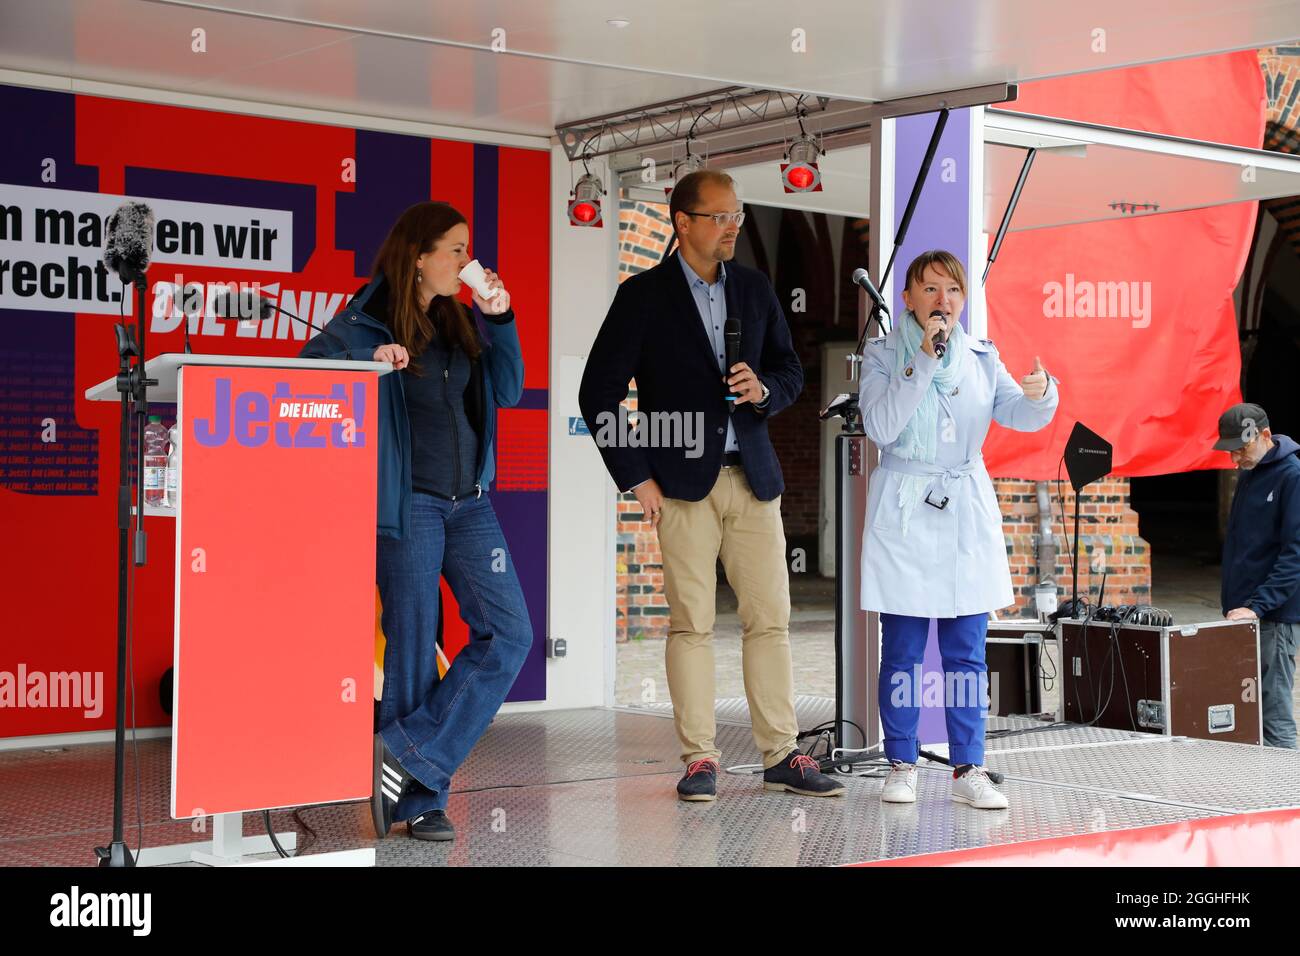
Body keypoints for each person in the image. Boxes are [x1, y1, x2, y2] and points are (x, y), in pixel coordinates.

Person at [579, 170, 843, 802]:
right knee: (691, 624)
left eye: (738, 216)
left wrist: (766, 391)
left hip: (754, 480)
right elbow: (598, 393)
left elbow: (790, 371)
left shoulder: (754, 289)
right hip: (679, 485)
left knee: (771, 620)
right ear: (684, 222)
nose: (733, 226)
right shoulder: (642, 295)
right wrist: (637, 476)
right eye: (721, 216)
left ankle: (781, 753)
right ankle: (700, 759)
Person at [299, 201, 533, 840]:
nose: (466, 260)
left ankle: (401, 749)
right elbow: (304, 377)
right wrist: (366, 366)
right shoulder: (361, 323)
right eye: (455, 249)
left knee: (509, 634)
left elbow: (508, 391)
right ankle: (419, 803)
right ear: (420, 256)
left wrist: (501, 320)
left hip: (471, 503)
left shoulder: (462, 321)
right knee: (409, 647)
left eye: (466, 249)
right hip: (408, 505)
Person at [858, 250, 1058, 809]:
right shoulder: (880, 355)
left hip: (963, 506)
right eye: (930, 289)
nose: (943, 300)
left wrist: (1044, 394)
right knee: (901, 649)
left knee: (966, 650)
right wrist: (921, 360)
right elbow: (881, 425)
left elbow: (1017, 412)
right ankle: (901, 760)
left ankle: (969, 766)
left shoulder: (980, 355)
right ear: (908, 299)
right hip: (905, 508)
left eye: (953, 290)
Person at [1215, 402, 1300, 749]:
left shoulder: (1292, 476)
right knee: (1248, 716)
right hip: (1245, 616)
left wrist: (1259, 606)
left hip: (1274, 621)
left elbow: (1295, 553)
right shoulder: (1250, 475)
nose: (1235, 459)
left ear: (1264, 435)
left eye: (1242, 449)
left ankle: (1289, 798)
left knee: (1275, 718)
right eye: (1231, 452)